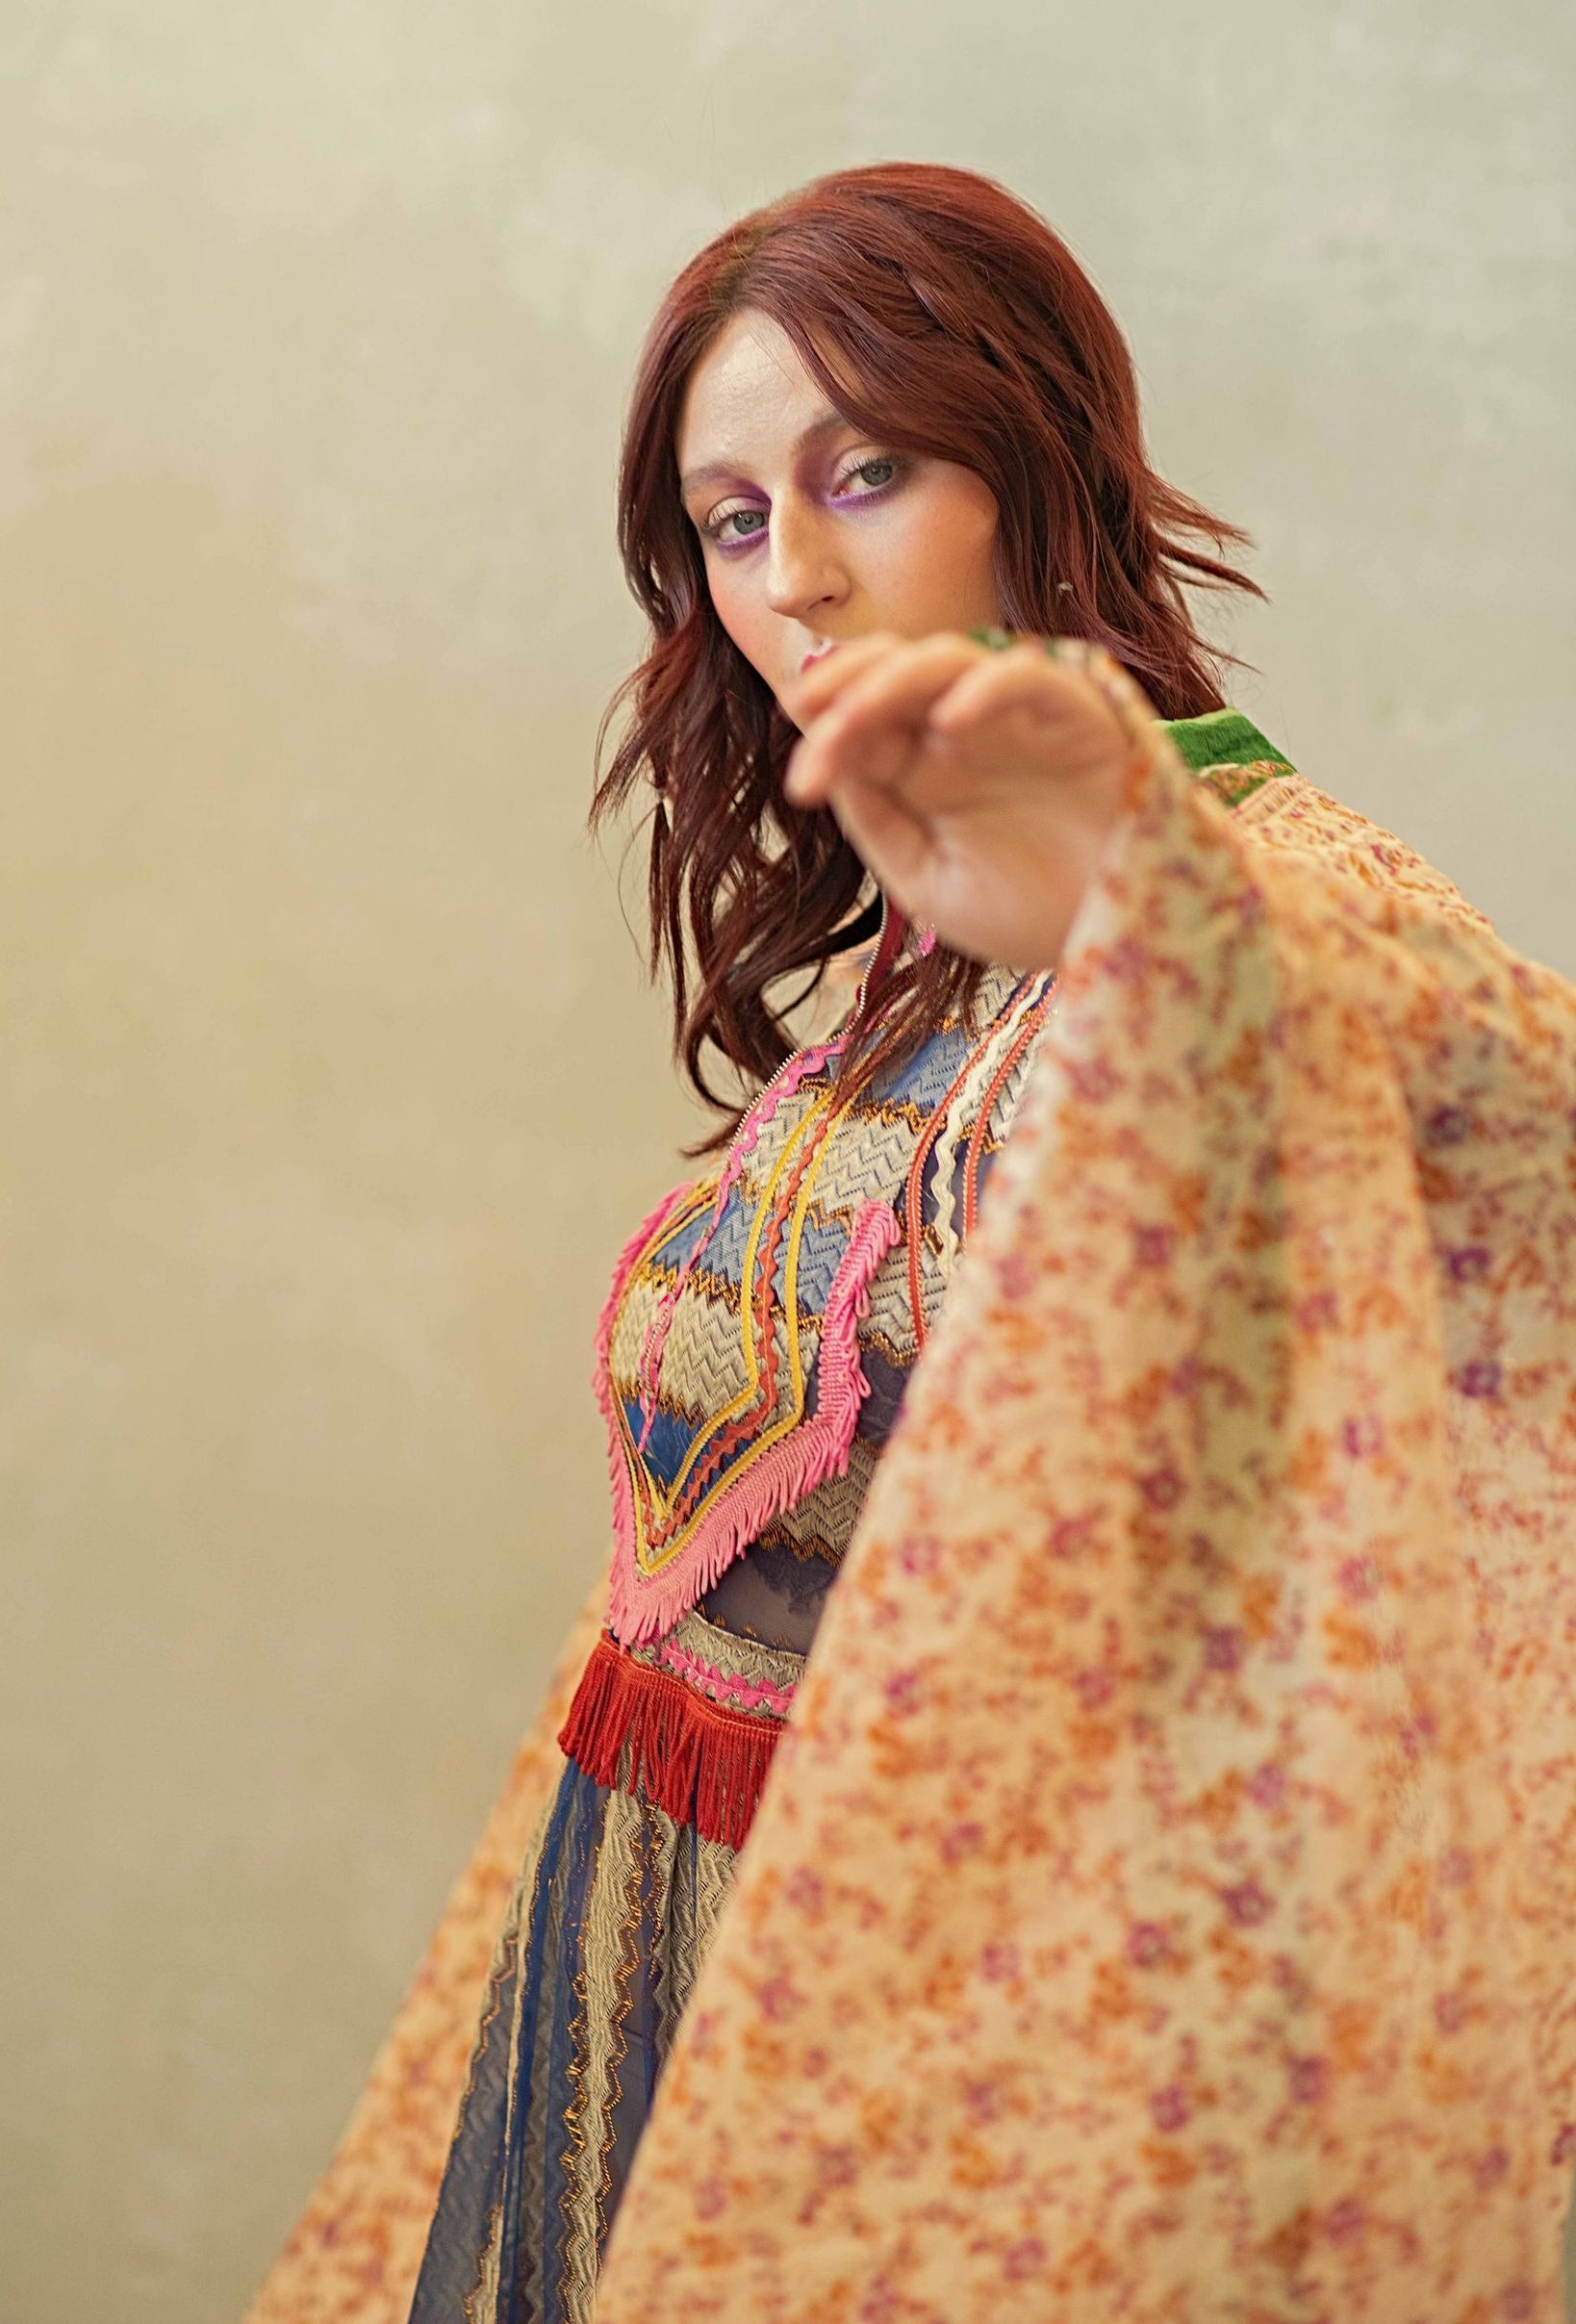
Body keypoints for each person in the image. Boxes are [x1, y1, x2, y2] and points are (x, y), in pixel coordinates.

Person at [244, 162, 1576, 2324]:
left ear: (1030, 470)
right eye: (736, 517)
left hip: (1002, 2037)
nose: (802, 577)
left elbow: (1525, 1122)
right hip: (692, 1950)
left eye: (867, 471)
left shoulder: (1264, 883)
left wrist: (1149, 900)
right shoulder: (917, 947)